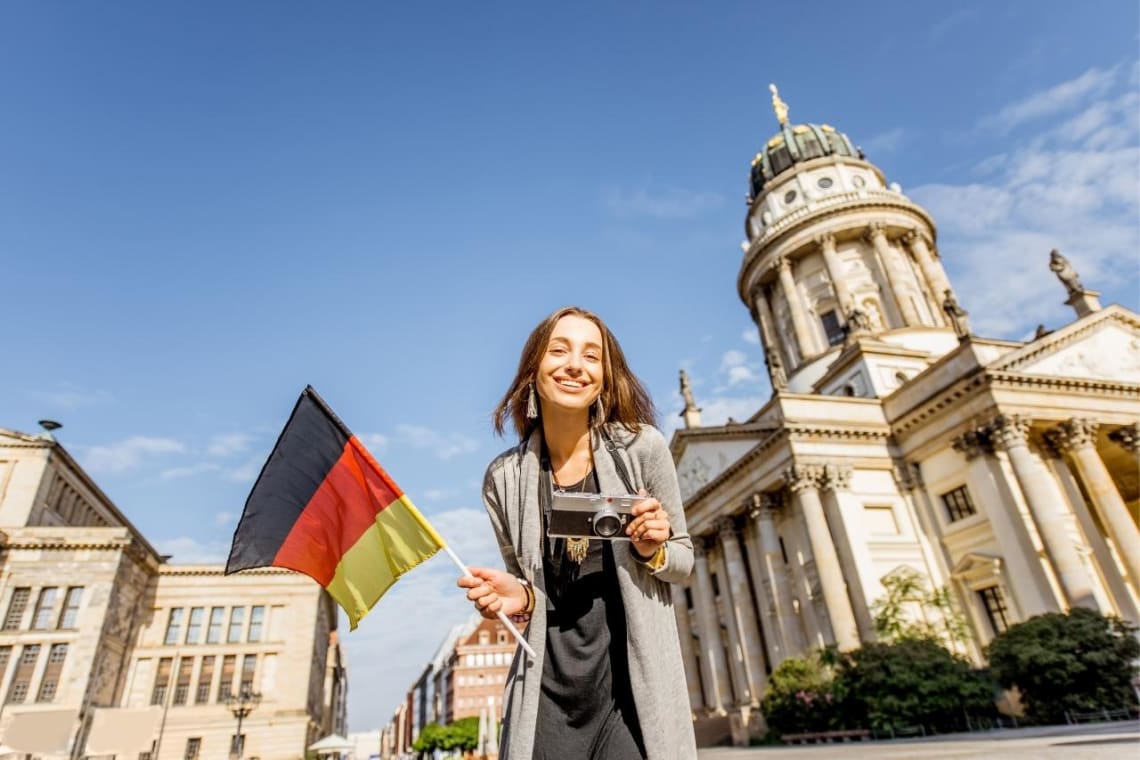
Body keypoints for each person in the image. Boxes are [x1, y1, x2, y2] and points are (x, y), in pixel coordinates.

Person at [457, 306, 697, 760]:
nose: (575, 365)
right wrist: (520, 597)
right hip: (548, 695)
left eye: (592, 355)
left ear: (605, 378)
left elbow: (683, 562)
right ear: (533, 369)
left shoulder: (642, 448)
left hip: (630, 693)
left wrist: (653, 550)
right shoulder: (502, 479)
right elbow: (535, 594)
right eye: (559, 350)